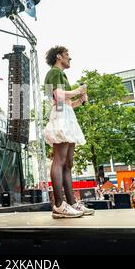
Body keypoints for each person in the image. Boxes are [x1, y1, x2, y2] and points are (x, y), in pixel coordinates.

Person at [43, 45, 94, 218]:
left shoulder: (59, 74)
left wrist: (80, 100)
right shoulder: (54, 73)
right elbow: (57, 97)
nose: (69, 58)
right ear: (59, 56)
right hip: (60, 114)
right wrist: (77, 91)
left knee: (68, 162)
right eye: (67, 55)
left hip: (65, 113)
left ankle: (71, 203)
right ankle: (59, 205)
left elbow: (66, 102)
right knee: (60, 159)